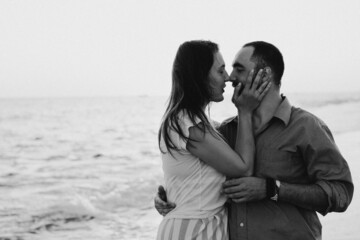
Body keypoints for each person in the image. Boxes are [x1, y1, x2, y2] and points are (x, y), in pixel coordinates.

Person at [155, 41, 354, 240]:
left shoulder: (306, 127)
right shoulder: (225, 132)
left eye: (238, 69)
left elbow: (340, 193)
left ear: (265, 75)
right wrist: (170, 197)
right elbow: (197, 178)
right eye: (226, 70)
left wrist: (273, 189)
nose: (230, 77)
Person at [156, 40, 271, 240]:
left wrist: (166, 193)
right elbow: (243, 168)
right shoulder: (187, 123)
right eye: (220, 71)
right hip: (194, 231)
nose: (227, 78)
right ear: (200, 76)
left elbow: (192, 176)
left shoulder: (201, 124)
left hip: (201, 228)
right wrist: (245, 111)